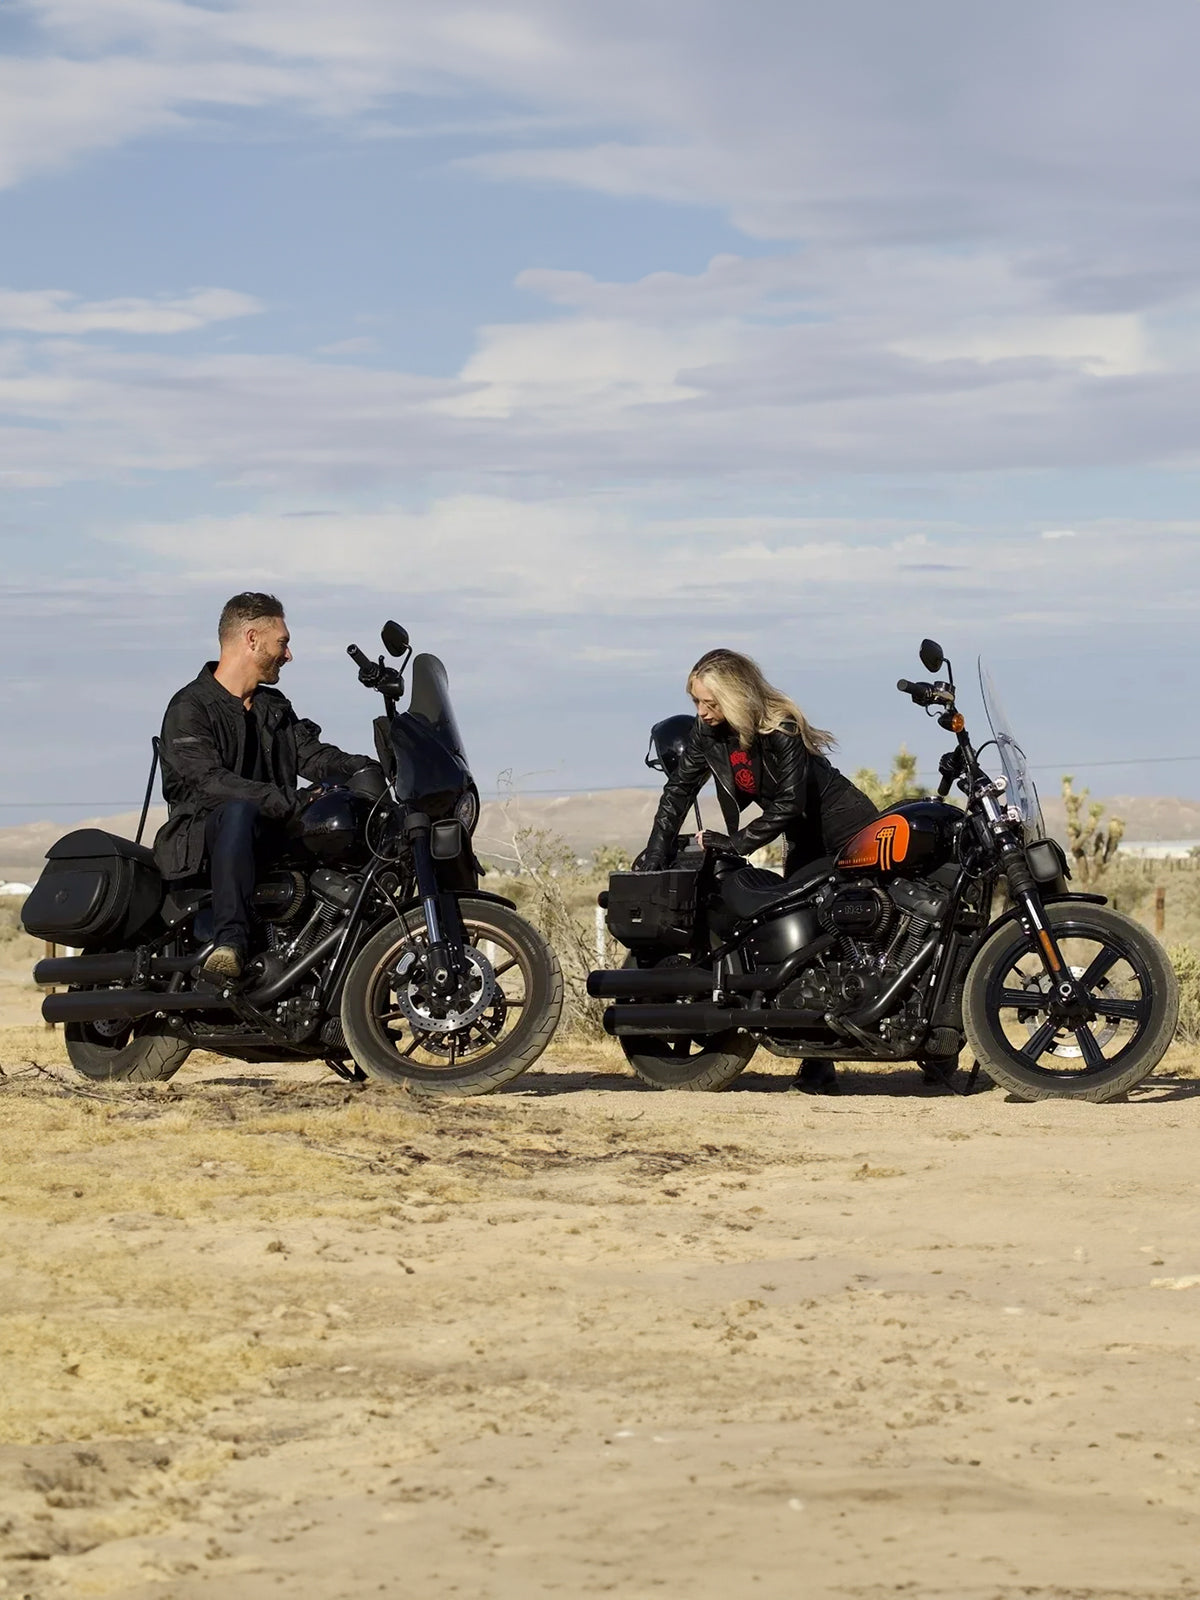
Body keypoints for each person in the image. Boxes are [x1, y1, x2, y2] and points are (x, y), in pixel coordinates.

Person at [637, 647, 877, 1093]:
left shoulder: (780, 727)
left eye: (710, 702)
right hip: (804, 839)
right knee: (802, 937)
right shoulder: (708, 732)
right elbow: (678, 792)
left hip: (849, 829)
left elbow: (789, 803)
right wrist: (655, 852)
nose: (701, 712)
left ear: (735, 695)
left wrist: (736, 843)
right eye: (696, 701)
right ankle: (818, 1061)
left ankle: (928, 1045)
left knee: (864, 927)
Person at [154, 592, 379, 983]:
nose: (288, 655)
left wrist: (367, 767)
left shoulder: (272, 707)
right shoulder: (190, 707)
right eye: (283, 643)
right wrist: (289, 800)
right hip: (203, 843)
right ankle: (229, 944)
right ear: (252, 639)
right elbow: (208, 782)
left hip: (270, 834)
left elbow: (315, 758)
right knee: (238, 811)